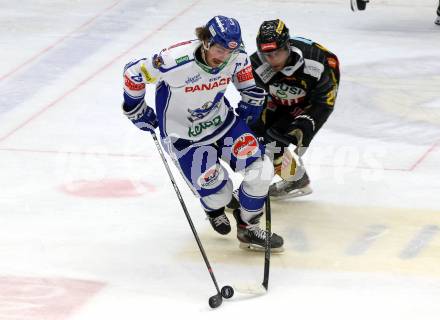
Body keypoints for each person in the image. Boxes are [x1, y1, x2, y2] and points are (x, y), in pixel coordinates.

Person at [121, 15, 283, 251]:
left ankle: (248, 228)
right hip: (183, 136)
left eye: (229, 52)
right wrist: (135, 107)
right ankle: (214, 207)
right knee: (220, 194)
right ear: (206, 41)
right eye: (219, 50)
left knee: (262, 170)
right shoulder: (174, 60)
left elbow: (247, 85)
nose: (223, 58)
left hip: (222, 123)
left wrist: (252, 105)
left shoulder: (236, 55)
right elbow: (133, 72)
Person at [249, 19, 340, 199]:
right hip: (280, 97)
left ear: (287, 47)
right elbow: (257, 100)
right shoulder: (256, 65)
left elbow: (325, 102)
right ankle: (296, 178)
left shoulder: (318, 61)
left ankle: (292, 178)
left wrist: (308, 124)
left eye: (276, 54)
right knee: (258, 137)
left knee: (283, 136)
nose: (271, 60)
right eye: (266, 55)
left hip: (312, 99)